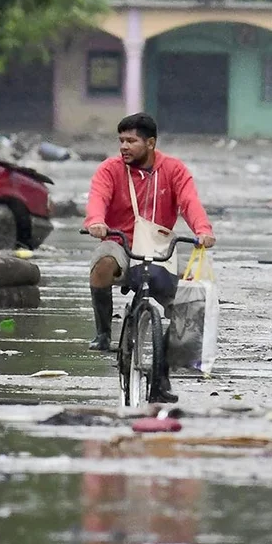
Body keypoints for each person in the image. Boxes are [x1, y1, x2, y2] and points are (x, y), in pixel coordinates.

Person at [82, 113, 215, 372]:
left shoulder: (174, 170)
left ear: (151, 143)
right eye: (121, 140)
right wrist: (96, 221)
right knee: (102, 264)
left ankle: (183, 355)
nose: (123, 147)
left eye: (131, 141)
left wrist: (203, 230)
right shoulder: (110, 169)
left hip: (158, 247)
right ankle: (103, 333)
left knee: (193, 289)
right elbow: (97, 198)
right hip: (119, 242)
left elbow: (189, 202)